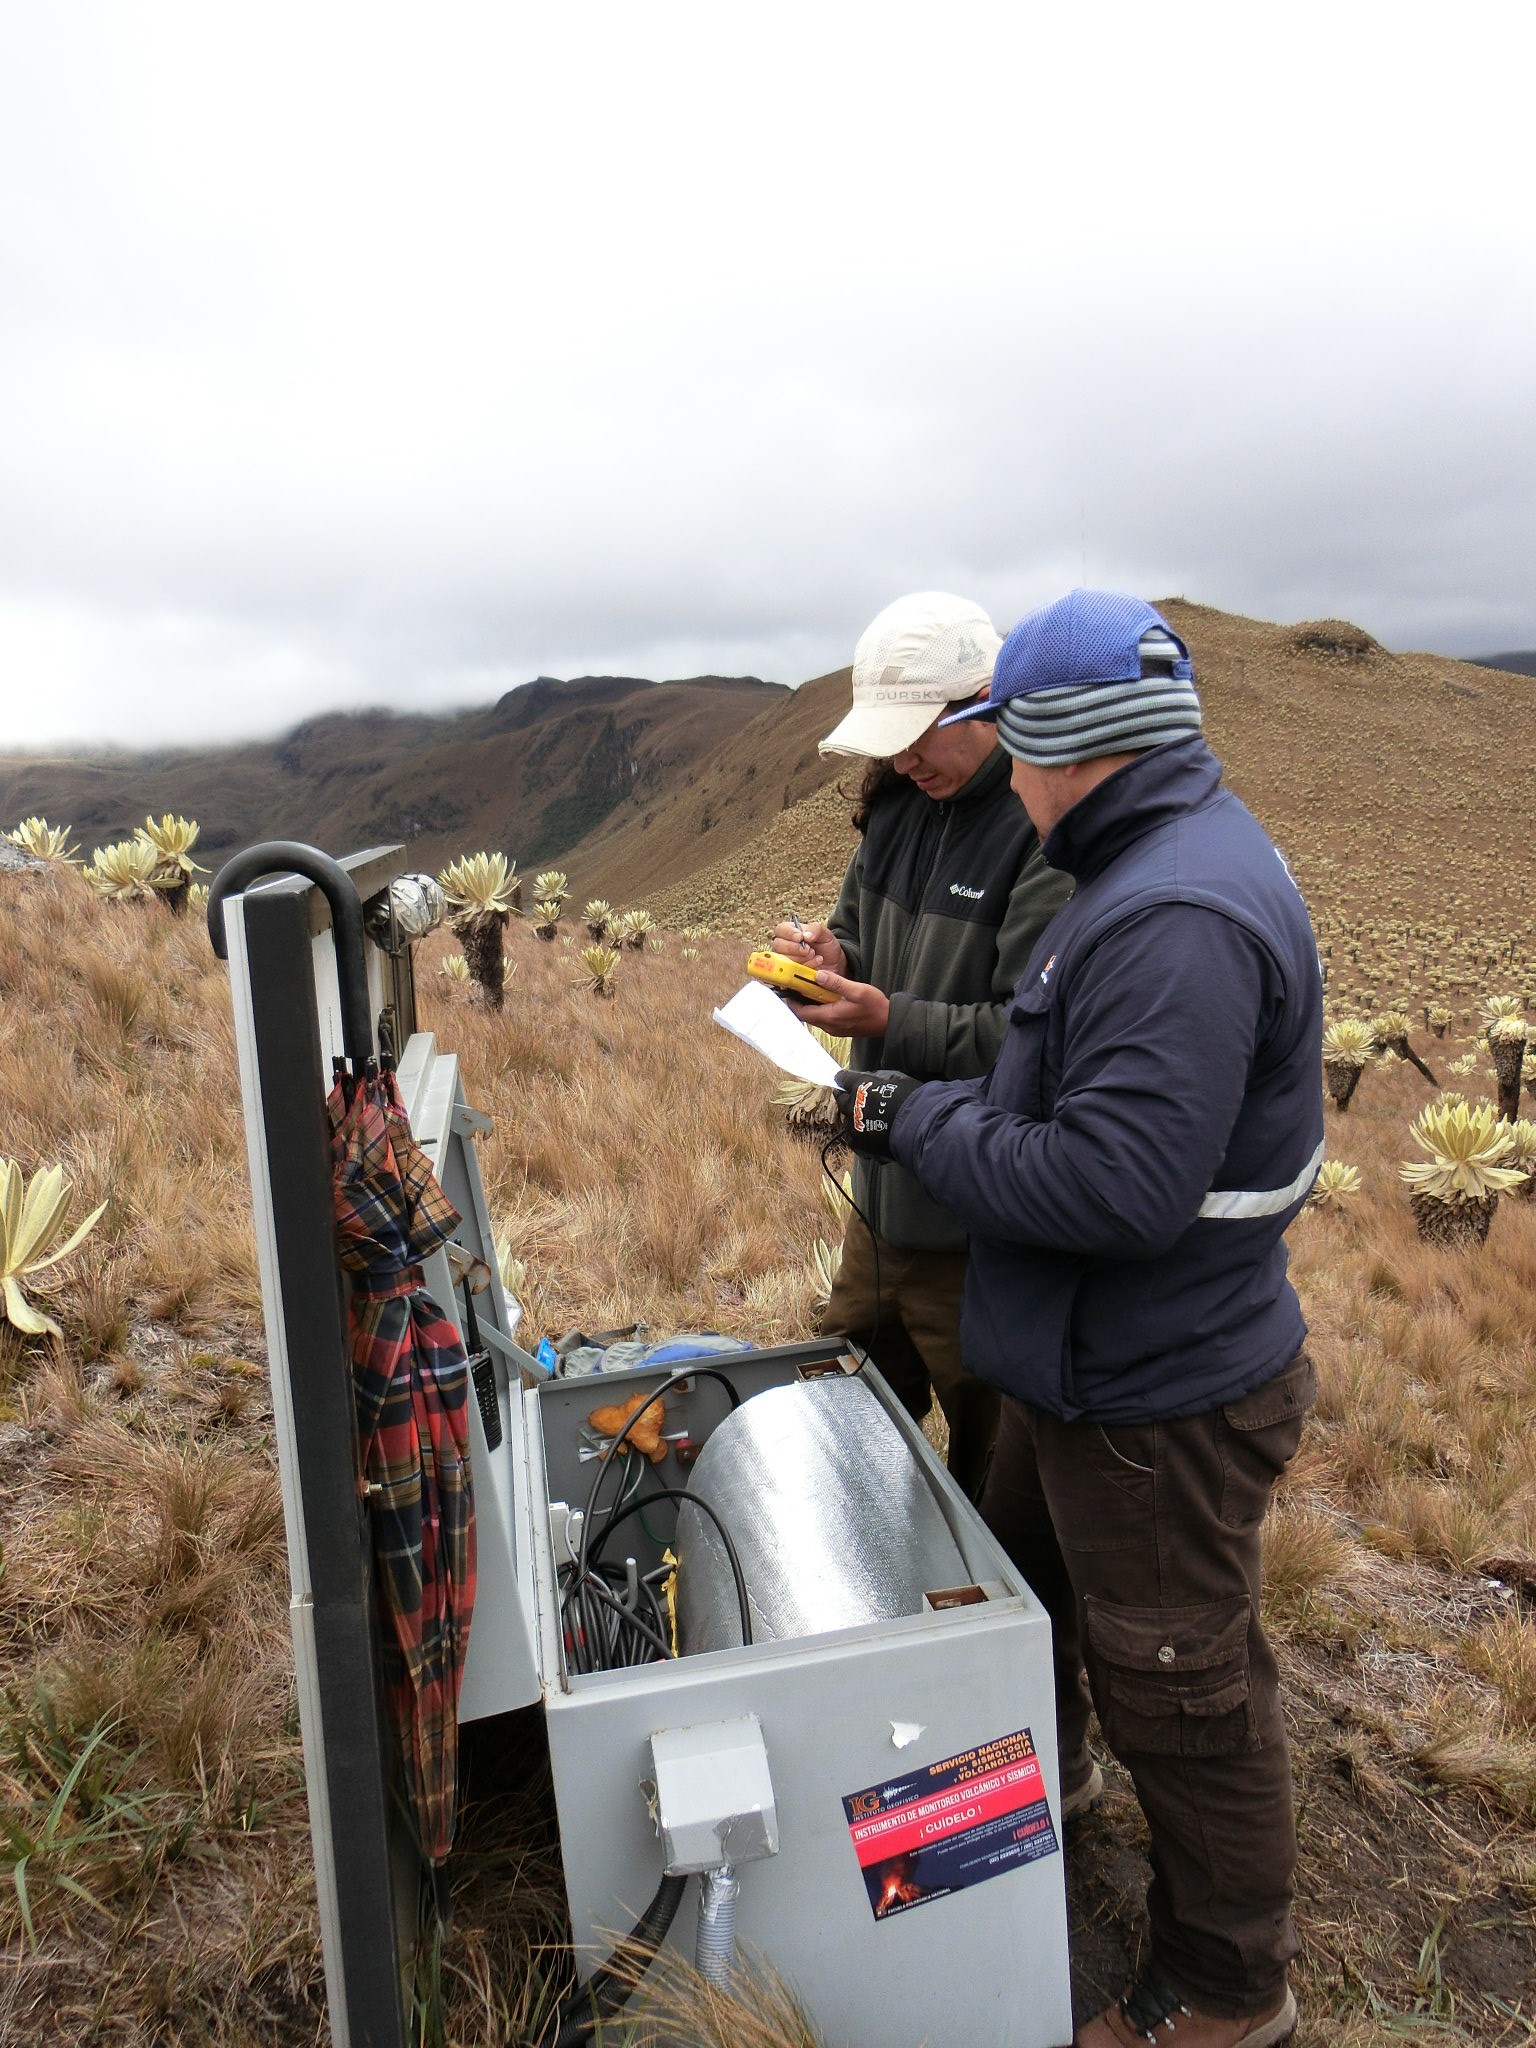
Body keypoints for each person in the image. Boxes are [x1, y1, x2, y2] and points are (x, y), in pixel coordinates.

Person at [836, 589, 1324, 2048]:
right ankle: (1054, 1793)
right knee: (1031, 1608)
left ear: (1050, 747)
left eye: (1012, 757)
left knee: (1186, 1687)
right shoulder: (1145, 867)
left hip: (1157, 1395)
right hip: (1080, 1369)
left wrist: (917, 1117)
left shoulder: (1169, 914)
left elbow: (1118, 1186)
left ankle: (1229, 1988)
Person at [771, 591, 1072, 1497]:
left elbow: (1028, 1039)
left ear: (981, 702)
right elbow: (858, 937)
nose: (901, 757)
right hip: (880, 1205)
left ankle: (998, 1634)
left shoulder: (1041, 827)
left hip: (979, 1229)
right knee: (842, 1433)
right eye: (889, 737)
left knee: (996, 1474)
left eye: (918, 733)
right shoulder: (899, 807)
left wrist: (885, 1019)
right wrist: (829, 963)